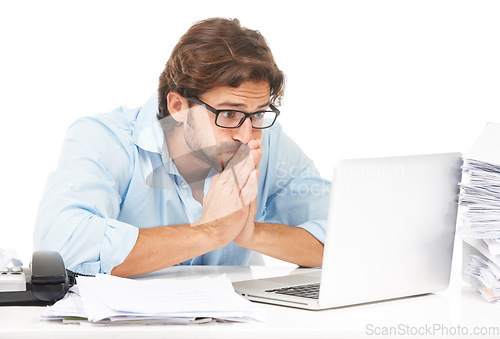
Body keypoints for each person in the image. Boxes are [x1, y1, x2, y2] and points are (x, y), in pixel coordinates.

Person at [34, 18, 331, 277]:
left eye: (258, 114)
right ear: (178, 106)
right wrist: (208, 232)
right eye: (228, 114)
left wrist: (252, 234)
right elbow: (60, 248)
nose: (247, 135)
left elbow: (346, 237)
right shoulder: (104, 139)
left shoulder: (267, 139)